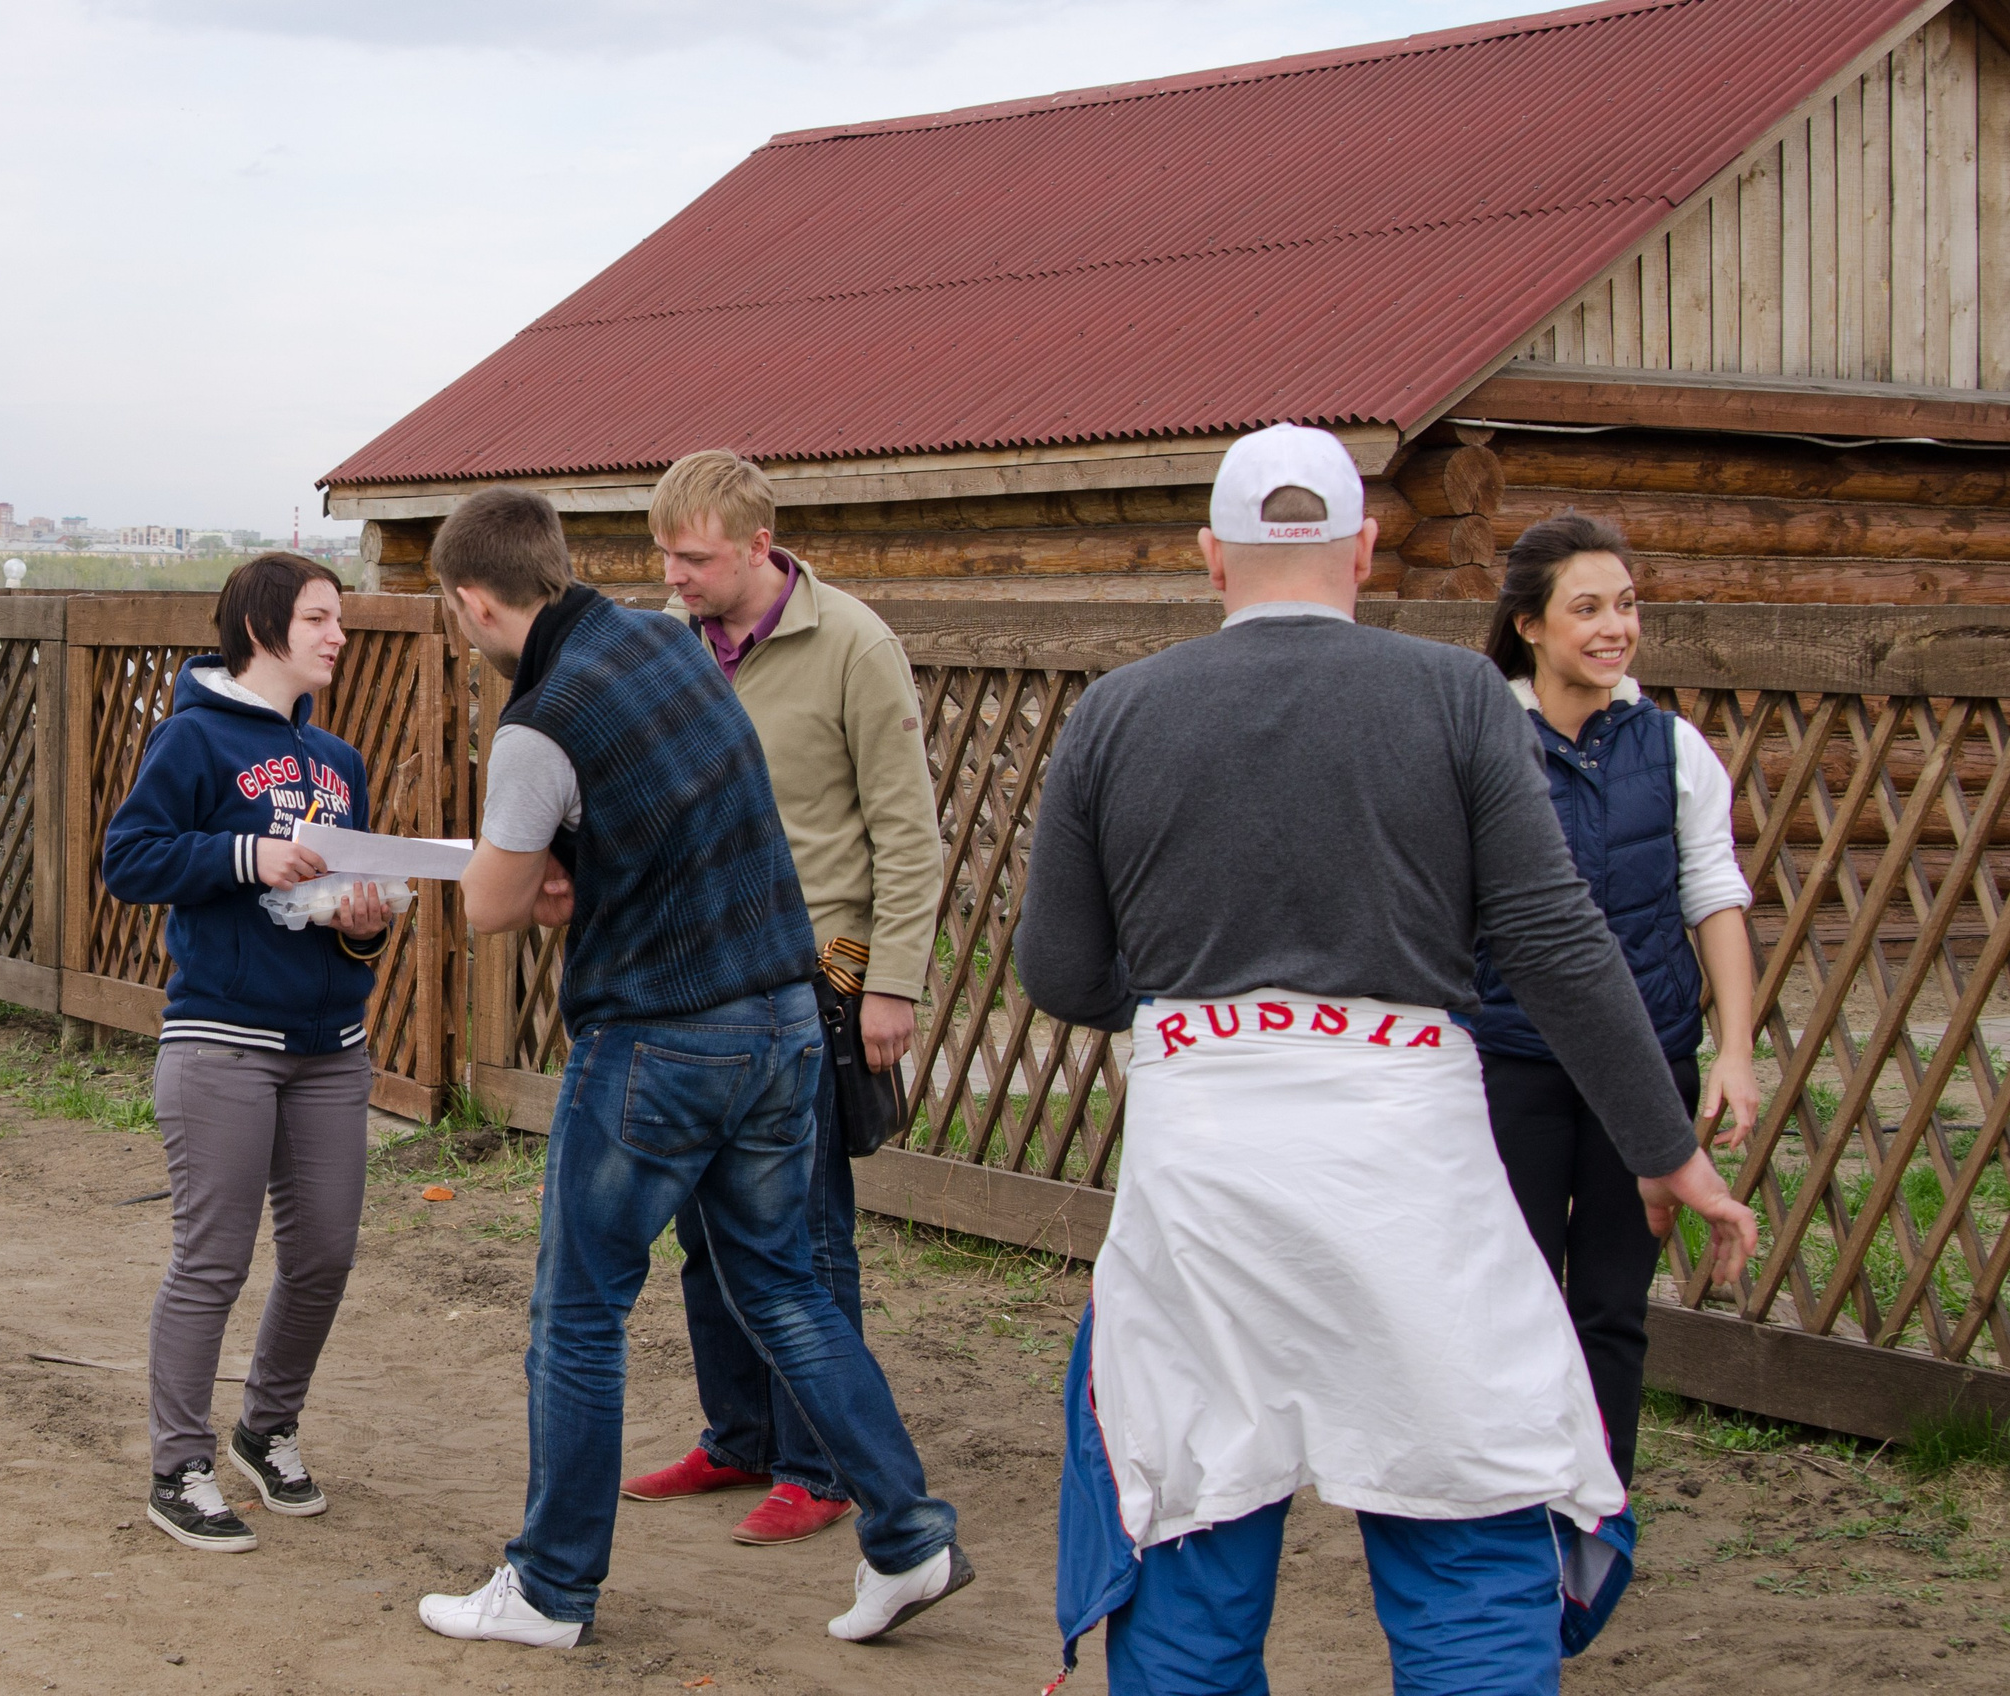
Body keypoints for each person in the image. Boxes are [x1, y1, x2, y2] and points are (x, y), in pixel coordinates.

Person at [1014, 425, 1758, 1694]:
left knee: (1192, 1508)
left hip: (1206, 1160)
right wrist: (1667, 1149)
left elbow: (1062, 974)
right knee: (1461, 1499)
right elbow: (1552, 939)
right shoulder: (1456, 696)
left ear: (1210, 558)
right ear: (1364, 549)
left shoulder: (1116, 714)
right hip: (1404, 1146)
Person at [413, 486, 969, 1649]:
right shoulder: (666, 649)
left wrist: (533, 870)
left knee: (576, 1313)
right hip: (782, 1017)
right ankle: (910, 1534)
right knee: (784, 1285)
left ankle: (550, 1587)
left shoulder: (541, 719)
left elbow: (491, 907)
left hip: (659, 1041)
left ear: (473, 601)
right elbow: (668, 823)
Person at [616, 449, 944, 1547]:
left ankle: (824, 1463)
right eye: (663, 553)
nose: (674, 575)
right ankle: (739, 1434)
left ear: (761, 544)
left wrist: (893, 982)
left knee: (800, 1229)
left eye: (695, 556)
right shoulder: (669, 644)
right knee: (703, 1225)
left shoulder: (851, 642)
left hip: (816, 974)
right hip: (690, 973)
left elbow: (906, 829)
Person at [101, 553, 396, 1553]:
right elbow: (129, 858)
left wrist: (362, 919)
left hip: (330, 1045)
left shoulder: (340, 761)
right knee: (213, 1258)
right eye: (320, 617)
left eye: (339, 619)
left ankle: (265, 1428)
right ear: (266, 626)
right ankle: (176, 1464)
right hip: (221, 1039)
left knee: (323, 1252)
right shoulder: (190, 737)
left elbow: (336, 914)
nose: (337, 636)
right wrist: (245, 853)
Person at [1472, 512, 1760, 1489]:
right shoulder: (1480, 746)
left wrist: (1731, 1048)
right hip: (1507, 1060)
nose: (1613, 627)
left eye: (1625, 606)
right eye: (1585, 607)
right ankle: (1506, 1499)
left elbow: (1713, 894)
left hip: (1642, 1067)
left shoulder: (1673, 749)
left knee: (1609, 1301)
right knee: (1505, 1292)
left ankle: (1597, 1504)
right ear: (1529, 625)